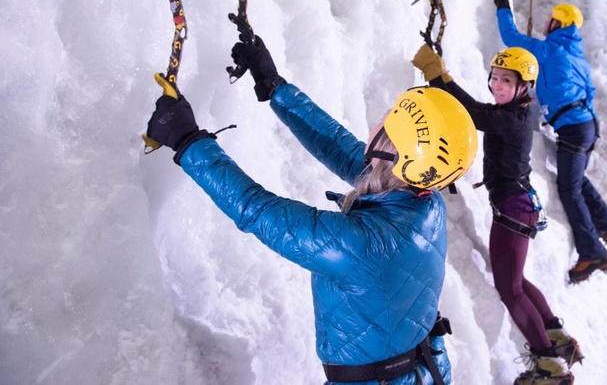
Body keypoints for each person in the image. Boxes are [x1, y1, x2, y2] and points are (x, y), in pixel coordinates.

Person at [145, 36, 479, 385]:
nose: (378, 120)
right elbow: (340, 146)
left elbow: (257, 210)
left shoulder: (360, 245)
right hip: (420, 371)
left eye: (388, 119)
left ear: (390, 152)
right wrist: (274, 86)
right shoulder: (424, 200)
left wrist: (188, 142)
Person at [413, 44, 581, 385]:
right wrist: (443, 79)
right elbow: (481, 110)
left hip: (513, 209)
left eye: (507, 79)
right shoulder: (518, 112)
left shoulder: (512, 119)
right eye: (495, 77)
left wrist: (438, 78)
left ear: (525, 86)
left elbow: (476, 115)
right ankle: (556, 337)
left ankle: (548, 366)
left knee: (510, 289)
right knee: (516, 281)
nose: (497, 85)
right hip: (519, 206)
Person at [493, 0, 607, 284]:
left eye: (551, 20)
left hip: (573, 129)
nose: (547, 23)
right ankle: (606, 225)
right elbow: (590, 91)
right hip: (587, 125)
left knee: (569, 189)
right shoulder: (577, 55)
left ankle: (593, 252)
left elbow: (512, 39)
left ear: (558, 24)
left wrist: (502, 7)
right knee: (576, 179)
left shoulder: (550, 50)